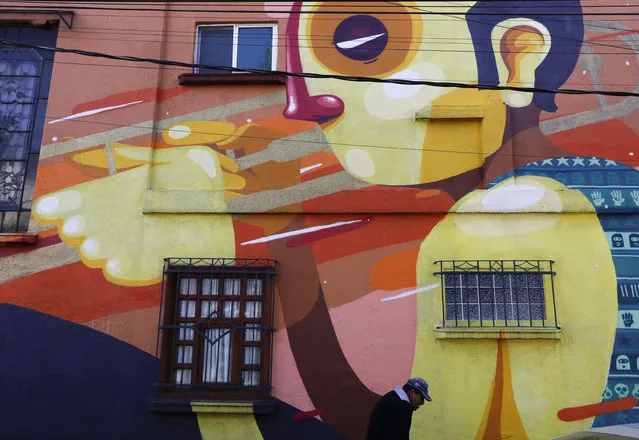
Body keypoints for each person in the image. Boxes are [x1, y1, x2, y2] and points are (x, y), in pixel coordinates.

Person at [364, 377, 432, 440]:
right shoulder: (403, 406)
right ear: (412, 392)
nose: (422, 403)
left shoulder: (392, 396)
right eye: (421, 398)